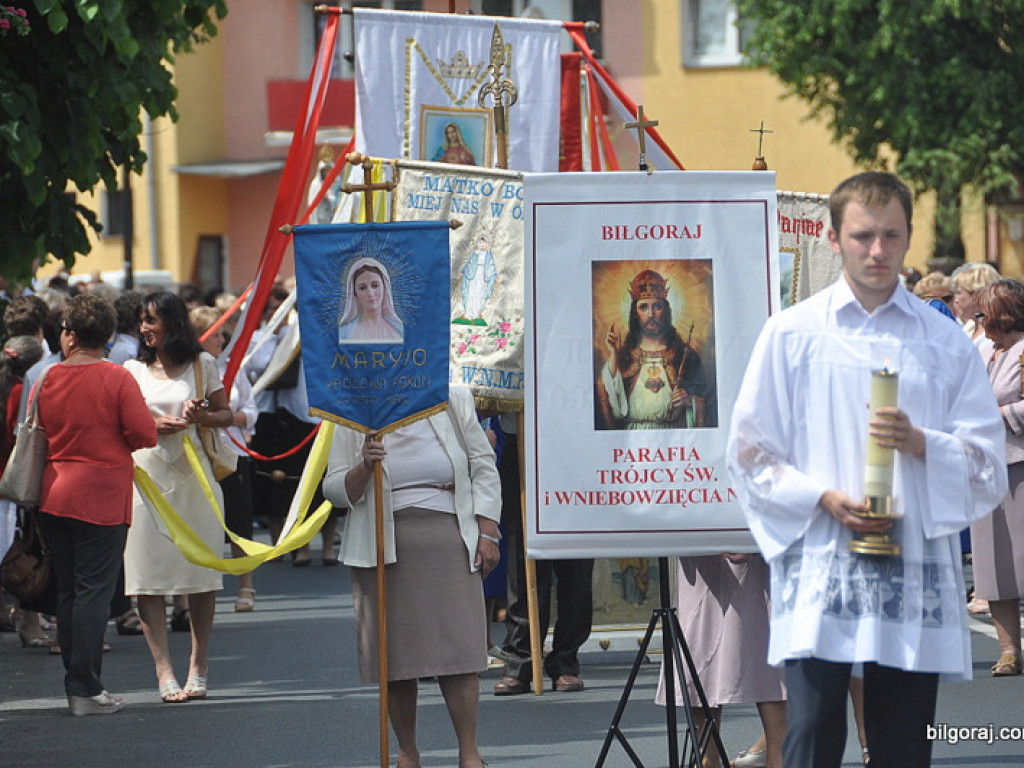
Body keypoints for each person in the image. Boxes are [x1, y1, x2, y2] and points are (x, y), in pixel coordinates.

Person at [726, 172, 1007, 768]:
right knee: (812, 737)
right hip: (823, 561)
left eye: (890, 236)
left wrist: (923, 442)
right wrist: (819, 496)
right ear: (833, 238)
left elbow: (986, 458)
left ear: (908, 237)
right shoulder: (793, 334)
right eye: (862, 236)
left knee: (904, 743)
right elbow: (750, 451)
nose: (877, 251)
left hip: (908, 568)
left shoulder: (943, 340)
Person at [322, 387, 500, 768]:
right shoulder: (352, 404)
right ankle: (407, 753)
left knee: (460, 652)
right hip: (380, 541)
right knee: (395, 657)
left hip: (448, 530)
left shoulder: (451, 395)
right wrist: (363, 467)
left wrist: (487, 531)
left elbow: (483, 464)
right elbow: (334, 490)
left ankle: (469, 753)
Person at [35, 295, 157, 715]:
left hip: (54, 491)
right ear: (107, 335)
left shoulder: (47, 378)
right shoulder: (116, 377)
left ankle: (77, 683)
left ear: (69, 334)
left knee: (69, 592)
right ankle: (85, 689)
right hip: (101, 494)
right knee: (93, 593)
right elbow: (144, 433)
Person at [123, 291, 233, 703]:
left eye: (151, 320)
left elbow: (226, 414)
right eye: (141, 321)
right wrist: (152, 423)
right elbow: (121, 419)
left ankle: (198, 665)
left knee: (202, 576)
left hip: (195, 478)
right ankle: (164, 670)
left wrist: (199, 416)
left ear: (172, 321)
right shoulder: (131, 369)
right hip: (146, 478)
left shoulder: (203, 363)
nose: (144, 328)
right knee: (145, 577)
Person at [492, 413, 594, 696]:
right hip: (523, 439)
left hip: (577, 442)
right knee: (524, 561)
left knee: (577, 563)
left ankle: (565, 662)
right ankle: (521, 662)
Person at [655, 555, 786, 768]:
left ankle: (779, 756)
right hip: (704, 541)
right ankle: (707, 756)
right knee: (702, 640)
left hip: (758, 540)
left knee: (766, 641)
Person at [970, 279, 1024, 676]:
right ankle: (1008, 649)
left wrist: (997, 417)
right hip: (982, 465)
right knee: (992, 561)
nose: (978, 321)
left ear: (1003, 315)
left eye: (983, 314)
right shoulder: (980, 349)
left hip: (1018, 460)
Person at [190, 306, 259, 612]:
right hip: (198, 453)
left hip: (232, 452)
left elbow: (251, 410)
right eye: (214, 333)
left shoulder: (234, 367)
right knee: (202, 522)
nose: (221, 339)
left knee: (239, 519)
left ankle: (246, 587)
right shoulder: (187, 370)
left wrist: (227, 418)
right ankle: (200, 588)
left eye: (221, 333)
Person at [597, 268, 715, 429]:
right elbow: (608, 401)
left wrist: (690, 402)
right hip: (632, 440)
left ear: (665, 311)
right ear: (635, 313)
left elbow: (710, 402)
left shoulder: (685, 356)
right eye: (643, 307)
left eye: (657, 306)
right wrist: (614, 357)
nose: (651, 314)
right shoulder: (624, 356)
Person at [337, 258, 404, 344]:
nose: (370, 293)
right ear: (355, 293)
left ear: (385, 288)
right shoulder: (345, 333)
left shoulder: (398, 330)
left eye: (375, 286)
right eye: (362, 288)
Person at [951, 262, 1001, 350]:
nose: (956, 300)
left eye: (959, 293)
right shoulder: (969, 327)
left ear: (977, 295)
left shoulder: (992, 337)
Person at [459, 235, 497, 323]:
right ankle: (468, 313)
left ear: (487, 244)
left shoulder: (489, 254)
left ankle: (476, 313)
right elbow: (469, 263)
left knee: (479, 292)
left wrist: (495, 274)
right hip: (473, 274)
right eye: (480, 243)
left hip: (483, 275)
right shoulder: (475, 253)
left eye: (484, 243)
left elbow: (492, 265)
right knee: (470, 291)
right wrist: (463, 271)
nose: (482, 245)